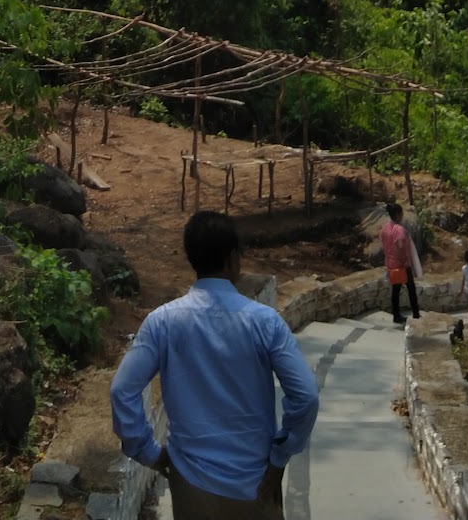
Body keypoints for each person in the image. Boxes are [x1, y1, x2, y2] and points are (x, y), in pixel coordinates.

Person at [110, 210, 319, 520]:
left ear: (191, 258)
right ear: (233, 259)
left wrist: (147, 452)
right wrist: (279, 458)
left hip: (192, 484)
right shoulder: (265, 322)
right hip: (256, 483)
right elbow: (306, 397)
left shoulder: (162, 322)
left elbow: (122, 390)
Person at [380, 201, 422, 324]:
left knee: (396, 290)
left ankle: (396, 315)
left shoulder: (385, 228)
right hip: (401, 265)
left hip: (390, 264)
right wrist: (404, 261)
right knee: (411, 288)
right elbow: (400, 245)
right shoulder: (399, 230)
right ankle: (416, 314)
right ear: (398, 214)